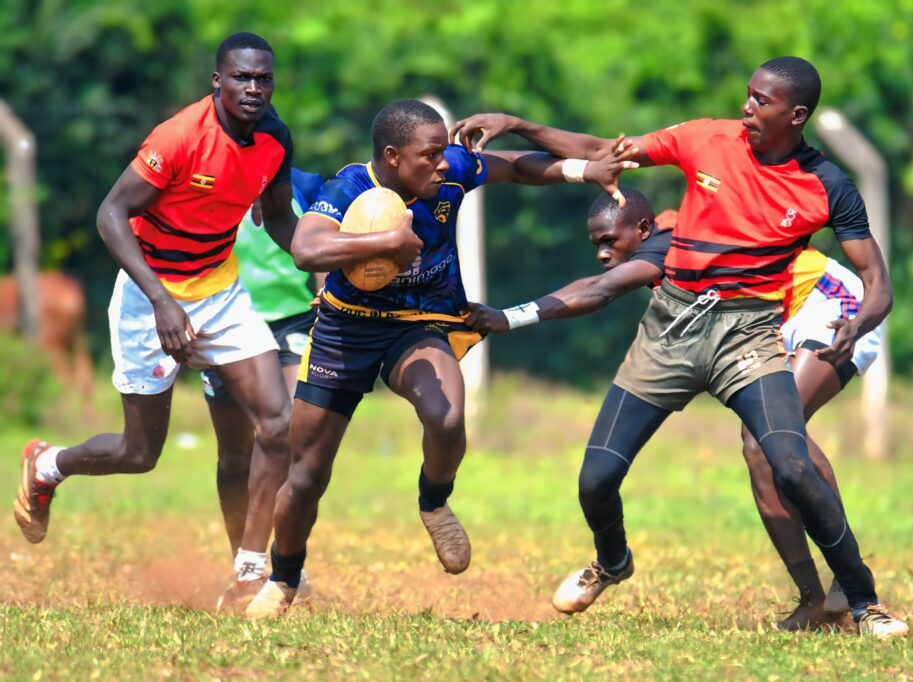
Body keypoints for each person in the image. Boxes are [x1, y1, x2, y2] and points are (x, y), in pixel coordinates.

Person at [451, 56, 908, 637]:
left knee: (784, 459)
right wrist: (519, 122)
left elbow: (878, 285)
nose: (747, 107)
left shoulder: (828, 186)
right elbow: (603, 151)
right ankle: (614, 562)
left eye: (761, 101)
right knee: (595, 480)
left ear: (796, 115)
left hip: (751, 330)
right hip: (669, 332)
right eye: (747, 94)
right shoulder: (705, 142)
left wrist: (859, 324)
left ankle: (862, 601)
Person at [244, 99, 632, 618]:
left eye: (442, 151)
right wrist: (388, 243)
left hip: (421, 322)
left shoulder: (450, 173)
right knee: (308, 474)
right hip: (346, 330)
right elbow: (308, 251)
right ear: (391, 156)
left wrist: (583, 170)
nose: (443, 163)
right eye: (428, 155)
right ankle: (283, 578)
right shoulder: (350, 189)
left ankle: (434, 500)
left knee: (447, 417)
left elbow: (516, 167)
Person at [468, 193, 880, 631]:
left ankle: (848, 576)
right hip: (767, 318)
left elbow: (597, 290)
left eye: (609, 240)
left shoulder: (667, 246)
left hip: (826, 303)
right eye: (596, 244)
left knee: (770, 441)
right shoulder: (663, 233)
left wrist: (509, 317)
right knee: (759, 447)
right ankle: (814, 601)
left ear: (642, 231)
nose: (603, 252)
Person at [14, 32, 298, 602]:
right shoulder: (179, 137)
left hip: (219, 290)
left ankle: (248, 570)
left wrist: (328, 260)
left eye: (263, 78)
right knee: (138, 453)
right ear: (217, 80)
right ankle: (48, 466)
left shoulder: (275, 139)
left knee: (277, 420)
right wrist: (164, 302)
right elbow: (111, 214)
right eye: (241, 77)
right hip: (150, 296)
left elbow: (281, 223)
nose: (253, 88)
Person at [205, 167, 326, 610]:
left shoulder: (307, 184)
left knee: (290, 431)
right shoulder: (206, 179)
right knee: (234, 455)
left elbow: (320, 239)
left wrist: (325, 291)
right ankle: (243, 563)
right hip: (224, 319)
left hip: (293, 320)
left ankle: (278, 562)